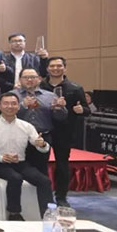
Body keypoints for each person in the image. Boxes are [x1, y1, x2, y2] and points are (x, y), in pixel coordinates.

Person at [0, 92, 54, 219]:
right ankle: (14, 213)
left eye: (13, 104)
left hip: (21, 164)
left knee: (44, 181)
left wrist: (42, 144)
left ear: (18, 106)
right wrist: (1, 158)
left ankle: (48, 215)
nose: (10, 106)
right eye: (6, 104)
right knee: (15, 178)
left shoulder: (27, 126)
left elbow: (42, 148)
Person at [40, 57, 91, 206]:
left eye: (59, 66)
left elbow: (87, 110)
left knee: (62, 165)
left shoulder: (75, 88)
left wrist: (81, 110)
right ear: (47, 69)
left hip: (64, 132)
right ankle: (42, 195)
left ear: (65, 68)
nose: (55, 68)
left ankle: (61, 196)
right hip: (42, 130)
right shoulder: (40, 86)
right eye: (52, 66)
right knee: (40, 163)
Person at [15, 67, 67, 175]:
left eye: (32, 77)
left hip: (43, 137)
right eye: (26, 77)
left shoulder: (50, 96)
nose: (29, 80)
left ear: (39, 79)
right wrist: (23, 106)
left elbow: (60, 118)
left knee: (41, 171)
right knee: (18, 170)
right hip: (18, 137)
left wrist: (59, 109)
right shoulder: (12, 96)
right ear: (20, 80)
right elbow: (5, 115)